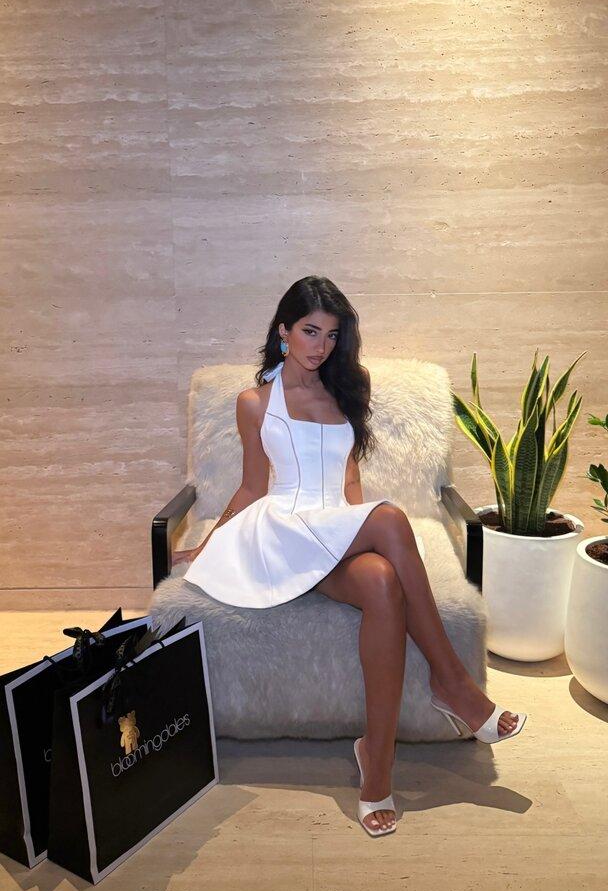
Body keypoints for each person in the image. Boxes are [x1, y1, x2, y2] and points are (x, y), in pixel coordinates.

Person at [174, 276, 526, 837]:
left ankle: (375, 763)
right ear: (284, 331)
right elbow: (252, 486)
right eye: (310, 331)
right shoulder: (254, 402)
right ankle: (454, 684)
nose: (321, 346)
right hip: (284, 531)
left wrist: (355, 532)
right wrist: (209, 543)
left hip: (334, 527)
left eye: (332, 335)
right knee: (390, 520)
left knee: (383, 580)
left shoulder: (344, 390)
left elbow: (350, 481)